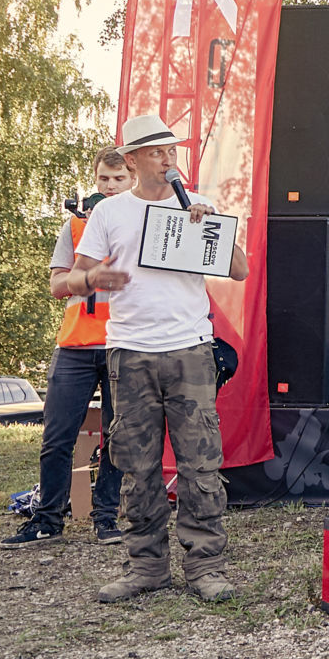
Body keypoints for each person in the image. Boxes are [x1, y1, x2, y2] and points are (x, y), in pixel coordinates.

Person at [67, 114, 249, 603]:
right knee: (136, 465)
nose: (169, 159)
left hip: (190, 349)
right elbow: (70, 280)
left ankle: (205, 566)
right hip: (130, 353)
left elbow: (240, 270)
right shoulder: (110, 212)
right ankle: (146, 567)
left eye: (172, 150)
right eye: (157, 152)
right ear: (132, 160)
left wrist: (214, 228)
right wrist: (92, 280)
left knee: (200, 464)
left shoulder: (196, 205)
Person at [2, 147, 133, 548]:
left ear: (132, 180)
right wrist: (89, 274)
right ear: (95, 180)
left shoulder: (144, 224)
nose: (110, 186)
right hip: (75, 344)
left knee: (117, 436)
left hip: (124, 343)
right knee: (57, 436)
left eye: (119, 179)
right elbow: (57, 286)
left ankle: (106, 518)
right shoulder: (75, 226)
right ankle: (47, 519)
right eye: (103, 179)